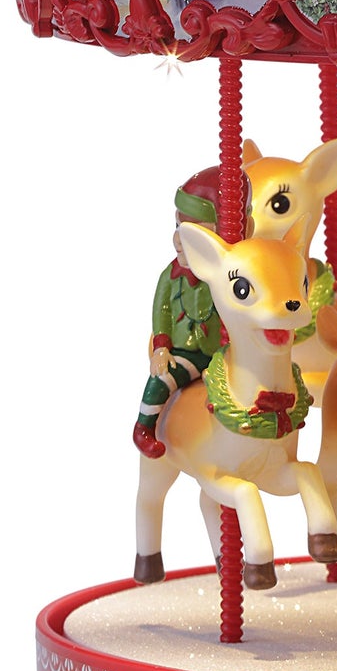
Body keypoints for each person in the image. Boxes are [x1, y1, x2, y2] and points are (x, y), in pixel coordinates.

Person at [133, 166, 240, 458]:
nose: (179, 240)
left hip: (224, 353)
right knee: (162, 379)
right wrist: (161, 348)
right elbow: (162, 311)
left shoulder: (230, 277)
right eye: (178, 228)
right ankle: (144, 427)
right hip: (187, 352)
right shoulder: (171, 276)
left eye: (193, 234)